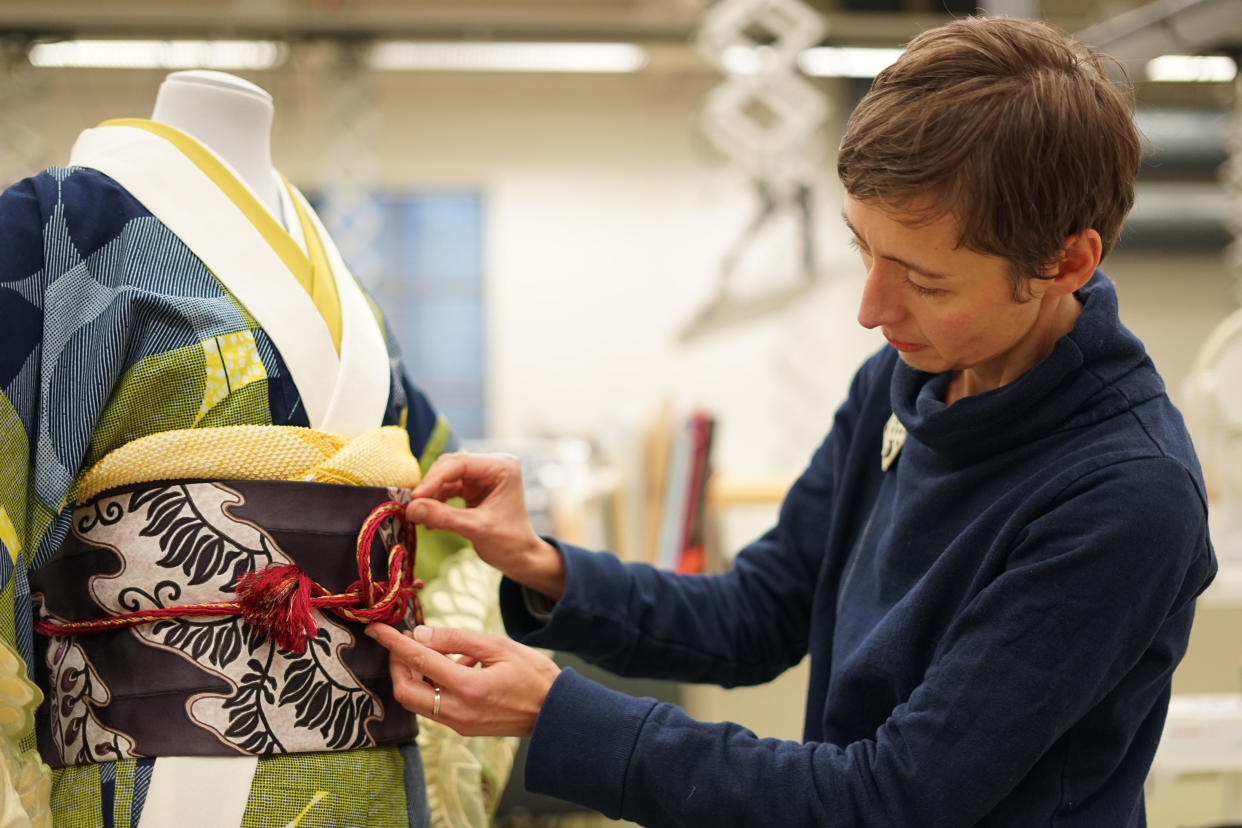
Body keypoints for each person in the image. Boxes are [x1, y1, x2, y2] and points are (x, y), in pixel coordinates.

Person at [366, 15, 1219, 827]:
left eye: (923, 281)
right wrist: (545, 565)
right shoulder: (907, 378)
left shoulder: (1125, 495)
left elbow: (892, 802)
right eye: (862, 248)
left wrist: (562, 715)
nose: (871, 308)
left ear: (1065, 263)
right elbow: (759, 613)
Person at [0, 70, 514, 827]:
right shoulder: (54, 229)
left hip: (383, 773)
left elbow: (444, 538)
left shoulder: (345, 295)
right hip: (161, 775)